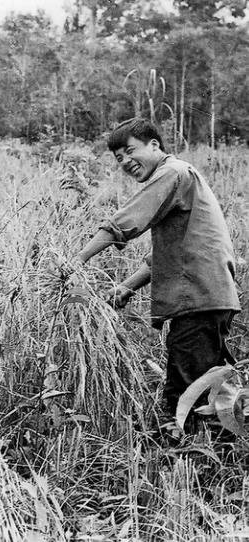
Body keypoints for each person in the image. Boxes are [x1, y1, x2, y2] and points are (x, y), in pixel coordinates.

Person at [65, 117, 240, 425]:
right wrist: (126, 288)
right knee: (208, 392)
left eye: (130, 151)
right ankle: (215, 445)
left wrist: (77, 260)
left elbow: (126, 221)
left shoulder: (172, 172)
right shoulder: (181, 177)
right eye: (119, 158)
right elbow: (169, 256)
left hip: (199, 297)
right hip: (208, 297)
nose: (125, 162)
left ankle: (187, 448)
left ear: (154, 145)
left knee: (184, 395)